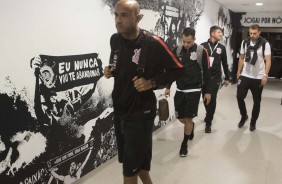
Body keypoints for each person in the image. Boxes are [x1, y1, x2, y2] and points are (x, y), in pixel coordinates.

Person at [103, 1, 184, 184]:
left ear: (138, 18)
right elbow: (119, 65)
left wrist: (152, 82)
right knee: (136, 165)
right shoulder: (115, 39)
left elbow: (178, 69)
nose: (118, 20)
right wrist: (110, 70)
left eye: (124, 15)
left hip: (141, 113)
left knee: (129, 171)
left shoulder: (152, 43)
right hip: (120, 111)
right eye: (116, 15)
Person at [164, 27, 211, 157]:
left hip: (194, 89)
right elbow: (172, 70)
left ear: (194, 39)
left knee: (188, 117)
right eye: (184, 41)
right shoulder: (177, 50)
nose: (185, 44)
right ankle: (190, 126)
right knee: (180, 117)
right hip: (180, 89)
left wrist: (207, 92)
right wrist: (168, 86)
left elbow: (207, 72)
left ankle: (184, 143)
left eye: (188, 42)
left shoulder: (202, 51)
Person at [236, 24, 271, 131]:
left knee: (257, 101)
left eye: (254, 33)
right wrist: (238, 73)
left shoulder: (265, 44)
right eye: (250, 33)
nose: (252, 35)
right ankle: (244, 115)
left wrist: (265, 75)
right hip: (245, 75)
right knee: (239, 96)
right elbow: (241, 58)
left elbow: (268, 60)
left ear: (259, 32)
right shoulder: (245, 42)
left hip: (258, 77)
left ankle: (253, 122)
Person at [201, 26, 230, 133]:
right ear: (212, 34)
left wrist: (227, 77)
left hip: (215, 77)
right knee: (205, 97)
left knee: (212, 98)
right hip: (204, 77)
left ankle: (208, 122)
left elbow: (225, 63)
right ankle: (208, 114)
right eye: (219, 32)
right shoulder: (203, 46)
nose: (221, 34)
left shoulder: (221, 47)